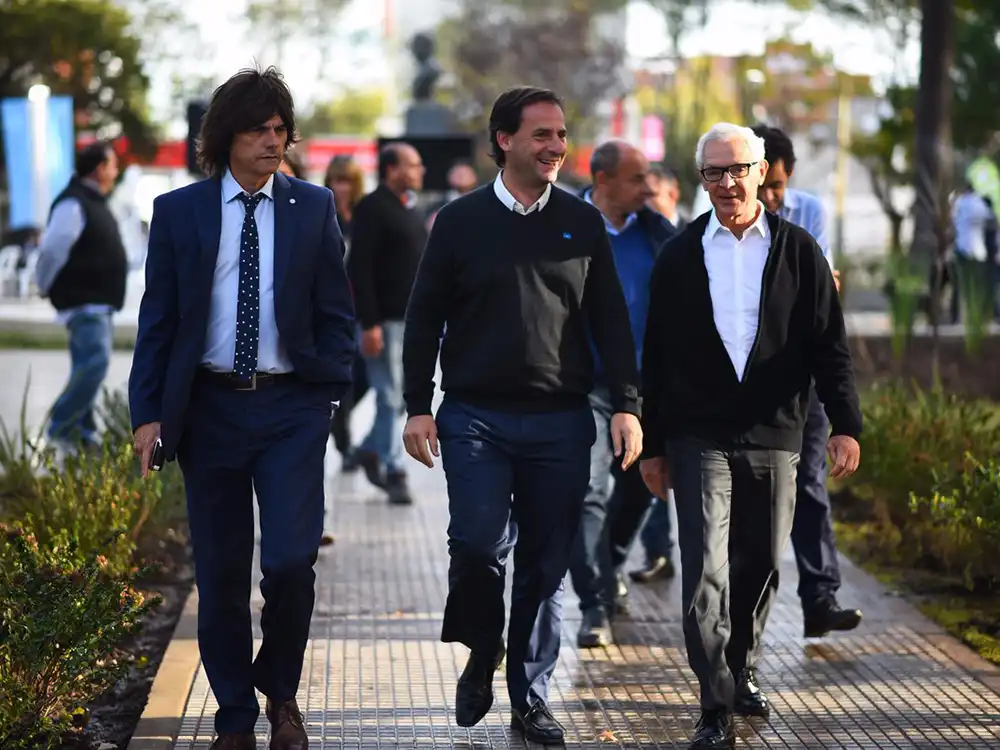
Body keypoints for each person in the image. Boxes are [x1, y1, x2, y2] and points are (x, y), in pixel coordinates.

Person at [400, 87, 642, 745]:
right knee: (477, 544)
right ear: (503, 140)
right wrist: (418, 406)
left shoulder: (582, 222)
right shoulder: (458, 221)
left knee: (546, 562)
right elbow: (423, 318)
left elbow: (611, 322)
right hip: (475, 416)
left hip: (561, 419)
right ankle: (484, 647)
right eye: (541, 134)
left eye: (562, 135)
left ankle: (530, 699)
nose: (556, 147)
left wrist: (627, 404)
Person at [128, 66, 356, 750]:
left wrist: (328, 393)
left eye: (281, 129)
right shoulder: (180, 212)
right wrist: (148, 414)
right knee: (221, 573)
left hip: (291, 409)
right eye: (259, 128)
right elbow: (158, 322)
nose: (272, 140)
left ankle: (280, 690)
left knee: (290, 561)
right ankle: (235, 716)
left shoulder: (313, 208)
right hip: (210, 412)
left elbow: (337, 311)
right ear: (226, 135)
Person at [639, 122, 862, 749]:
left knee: (760, 564)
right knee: (704, 568)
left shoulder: (799, 252)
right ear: (702, 180)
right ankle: (714, 702)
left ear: (762, 172)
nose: (727, 183)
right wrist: (655, 445)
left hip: (777, 430)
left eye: (738, 169)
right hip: (697, 433)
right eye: (714, 172)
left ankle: (742, 669)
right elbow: (654, 354)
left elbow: (830, 346)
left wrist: (846, 423)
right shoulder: (680, 255)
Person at [752, 123, 863, 639]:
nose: (770, 198)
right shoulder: (721, 216)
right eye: (762, 185)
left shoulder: (809, 211)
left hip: (805, 377)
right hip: (749, 384)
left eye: (777, 186)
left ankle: (820, 597)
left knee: (811, 483)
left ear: (788, 177)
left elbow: (825, 294)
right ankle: (744, 617)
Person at [568, 139, 676, 649]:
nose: (649, 187)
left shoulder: (659, 234)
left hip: (647, 386)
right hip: (583, 385)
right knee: (587, 493)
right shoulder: (566, 224)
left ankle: (607, 566)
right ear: (604, 179)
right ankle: (593, 603)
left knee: (641, 489)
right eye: (637, 178)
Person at [345, 142, 426, 505]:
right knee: (389, 395)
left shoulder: (408, 209)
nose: (421, 171)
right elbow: (358, 268)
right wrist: (369, 323)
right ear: (393, 169)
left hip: (409, 322)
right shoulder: (373, 208)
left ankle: (368, 449)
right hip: (385, 323)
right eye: (414, 165)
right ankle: (395, 469)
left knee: (397, 397)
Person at [35, 141, 126, 454]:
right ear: (100, 168)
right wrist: (43, 283)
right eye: (113, 165)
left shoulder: (92, 201)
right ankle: (60, 429)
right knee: (95, 364)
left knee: (85, 368)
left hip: (97, 304)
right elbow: (53, 248)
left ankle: (84, 435)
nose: (116, 172)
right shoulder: (73, 203)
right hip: (85, 303)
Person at [323, 155, 370, 472]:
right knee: (344, 379)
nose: (342, 188)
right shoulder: (322, 213)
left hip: (364, 307)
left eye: (347, 181)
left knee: (365, 377)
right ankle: (344, 442)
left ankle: (341, 426)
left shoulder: (364, 216)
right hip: (334, 309)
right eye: (337, 180)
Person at [646, 163, 685, 230]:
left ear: (672, 195)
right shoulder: (634, 233)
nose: (645, 201)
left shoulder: (694, 233)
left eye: (651, 195)